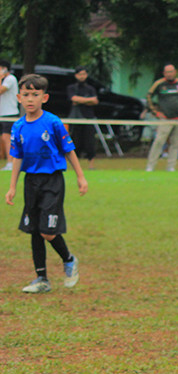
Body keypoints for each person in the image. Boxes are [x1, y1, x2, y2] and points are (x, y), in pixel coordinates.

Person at [4, 74, 87, 294]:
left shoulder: (53, 122)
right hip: (30, 182)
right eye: (26, 95)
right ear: (19, 98)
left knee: (47, 231)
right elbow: (17, 157)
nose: (30, 99)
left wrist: (80, 176)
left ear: (45, 97)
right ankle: (41, 279)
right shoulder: (18, 126)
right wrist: (12, 187)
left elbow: (68, 149)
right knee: (34, 230)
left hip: (52, 181)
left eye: (35, 94)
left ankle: (68, 260)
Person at [145, 64, 178, 172]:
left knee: (175, 143)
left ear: (175, 72)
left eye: (171, 71)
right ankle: (150, 166)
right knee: (159, 142)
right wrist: (155, 112)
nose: (170, 74)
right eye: (167, 72)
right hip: (165, 118)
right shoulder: (159, 84)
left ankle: (171, 166)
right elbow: (149, 95)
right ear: (164, 73)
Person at [67, 66, 98, 168]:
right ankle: (74, 165)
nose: (82, 76)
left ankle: (91, 165)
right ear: (76, 75)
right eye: (80, 74)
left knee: (90, 142)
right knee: (75, 141)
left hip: (88, 118)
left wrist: (80, 100)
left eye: (84, 74)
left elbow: (95, 101)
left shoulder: (91, 88)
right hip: (76, 119)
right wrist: (88, 100)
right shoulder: (71, 88)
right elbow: (73, 99)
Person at [0, 60, 18, 171]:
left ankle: (11, 163)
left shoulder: (10, 79)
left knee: (7, 138)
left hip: (10, 113)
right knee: (4, 138)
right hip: (2, 113)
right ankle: (9, 161)